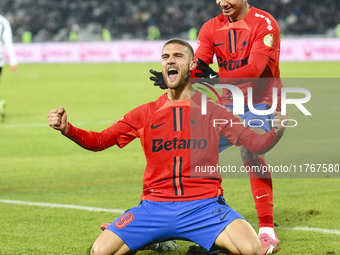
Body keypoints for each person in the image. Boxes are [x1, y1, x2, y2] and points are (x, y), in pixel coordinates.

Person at [48, 39, 288, 255]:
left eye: (178, 56)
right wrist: (68, 129)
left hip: (204, 207)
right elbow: (100, 141)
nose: (170, 60)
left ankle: (194, 245)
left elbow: (255, 144)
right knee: (100, 251)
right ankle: (158, 238)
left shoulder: (215, 112)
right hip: (154, 208)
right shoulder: (145, 113)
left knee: (252, 250)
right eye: (165, 57)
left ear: (192, 65)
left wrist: (275, 133)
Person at [150, 1, 282, 254]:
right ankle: (158, 226)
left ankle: (266, 230)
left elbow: (255, 69)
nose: (222, 2)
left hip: (262, 100)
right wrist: (176, 74)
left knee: (250, 150)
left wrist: (214, 78)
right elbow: (198, 63)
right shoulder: (211, 27)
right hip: (228, 101)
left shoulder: (264, 23)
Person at [0, 14, 18, 121]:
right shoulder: (3, 22)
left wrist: (13, 60)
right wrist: (13, 60)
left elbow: (8, 42)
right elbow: (8, 42)